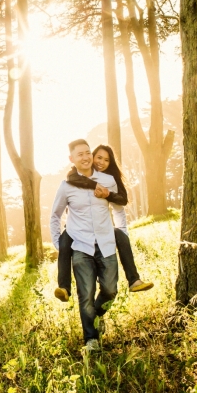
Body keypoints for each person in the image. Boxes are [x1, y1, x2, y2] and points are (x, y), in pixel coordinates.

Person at [54, 144, 154, 304]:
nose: (101, 162)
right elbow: (71, 181)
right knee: (64, 242)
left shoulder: (109, 180)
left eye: (106, 160)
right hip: (76, 228)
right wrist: (95, 185)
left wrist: (108, 194)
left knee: (121, 236)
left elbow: (121, 203)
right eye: (98, 157)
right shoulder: (74, 176)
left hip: (103, 227)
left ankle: (134, 280)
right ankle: (64, 287)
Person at [50, 139, 119, 351]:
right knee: (85, 294)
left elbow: (118, 207)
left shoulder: (107, 180)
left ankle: (97, 315)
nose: (86, 157)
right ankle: (91, 339)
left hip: (106, 244)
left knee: (110, 290)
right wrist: (58, 244)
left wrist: (122, 234)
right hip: (80, 246)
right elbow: (55, 215)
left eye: (88, 152)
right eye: (79, 154)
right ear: (72, 159)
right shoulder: (66, 186)